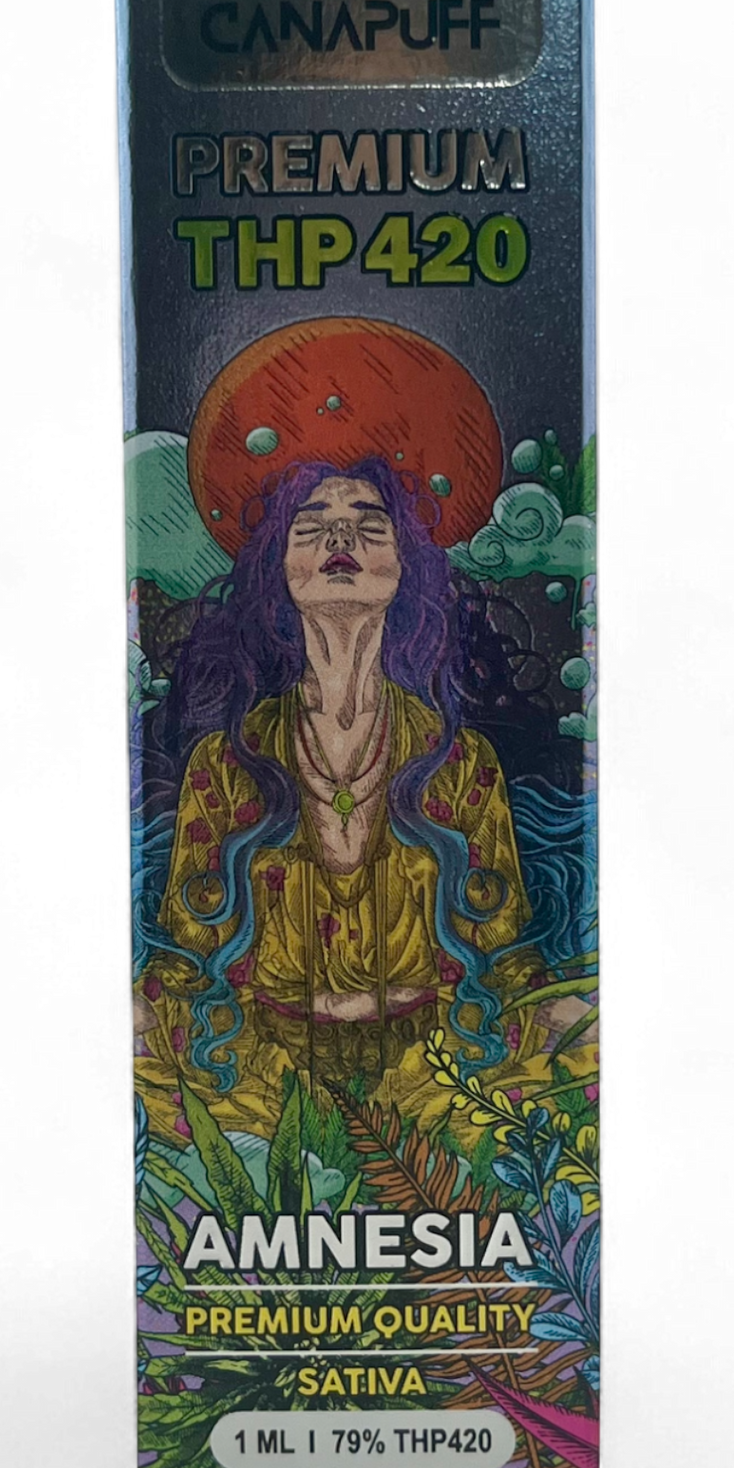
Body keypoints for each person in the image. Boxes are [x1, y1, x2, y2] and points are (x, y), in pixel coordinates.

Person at [131, 454, 595, 1141]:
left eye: (369, 526)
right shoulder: (225, 763)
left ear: (407, 568)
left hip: (435, 1065)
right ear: (278, 569)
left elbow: (500, 959)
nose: (340, 539)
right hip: (258, 1069)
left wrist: (562, 1011)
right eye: (311, 526)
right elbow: (190, 963)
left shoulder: (461, 761)